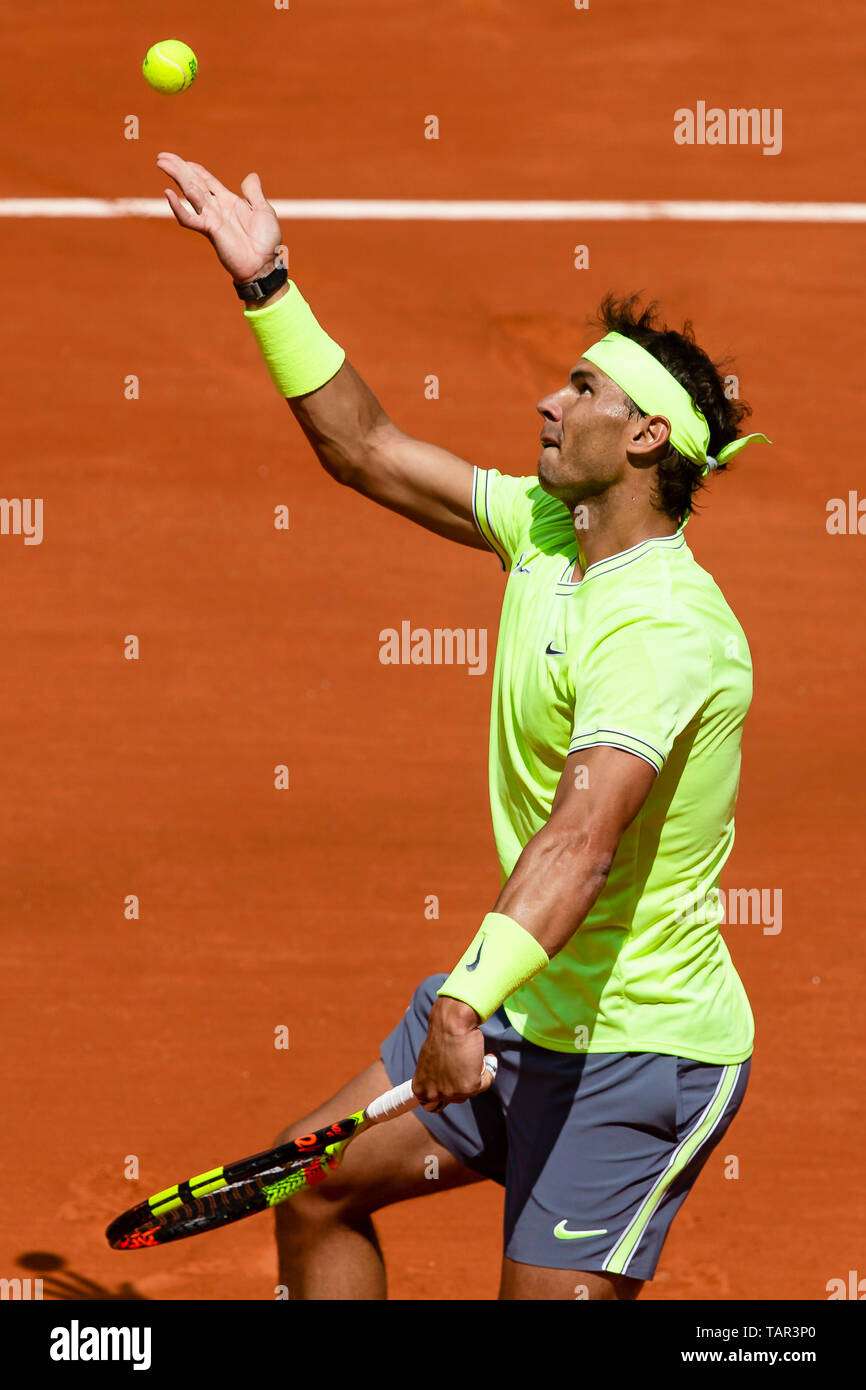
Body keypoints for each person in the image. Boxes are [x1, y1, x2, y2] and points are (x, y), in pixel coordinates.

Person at [158, 151, 770, 1301]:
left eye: (583, 389)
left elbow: (578, 844)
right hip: (517, 1008)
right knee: (314, 1188)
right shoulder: (549, 526)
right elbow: (366, 449)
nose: (550, 398)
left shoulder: (664, 630)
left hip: (638, 1051)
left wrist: (460, 999)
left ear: (644, 440)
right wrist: (266, 283)